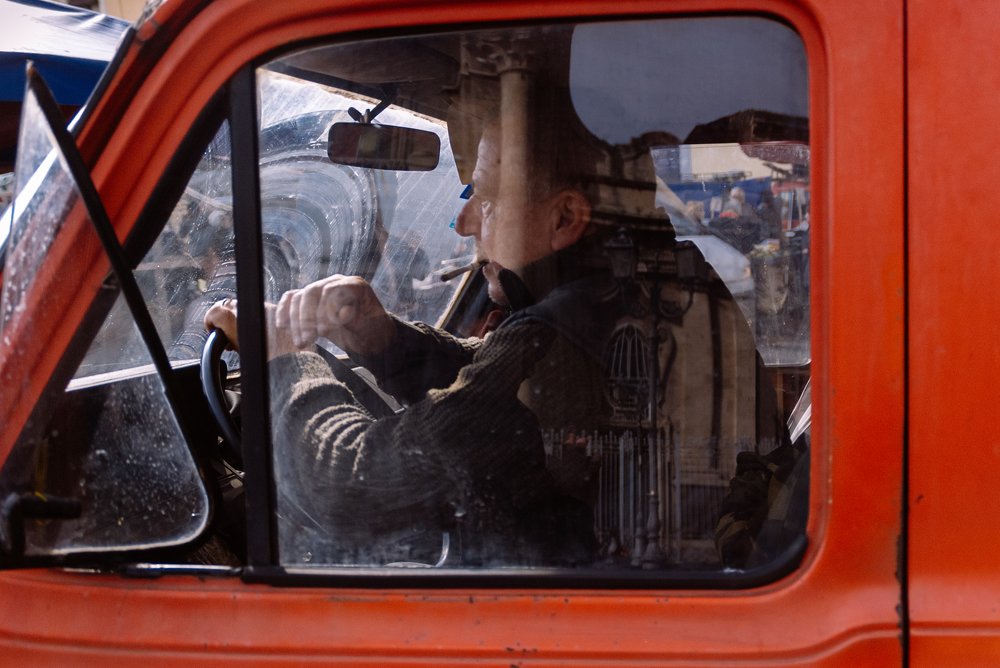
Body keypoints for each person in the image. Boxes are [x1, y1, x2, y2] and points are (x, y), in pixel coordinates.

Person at [206, 72, 785, 568]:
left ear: (565, 218)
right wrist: (384, 339)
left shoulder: (554, 337)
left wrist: (282, 358)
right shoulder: (668, 296)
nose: (463, 223)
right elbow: (501, 401)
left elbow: (351, 486)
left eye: (484, 196)